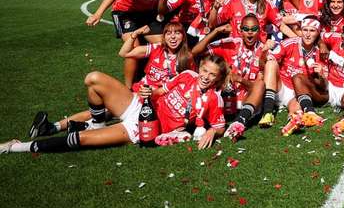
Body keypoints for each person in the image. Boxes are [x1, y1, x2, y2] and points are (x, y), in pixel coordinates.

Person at [5, 55, 227, 154]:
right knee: (93, 79)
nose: (206, 76)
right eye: (205, 70)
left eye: (212, 75)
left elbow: (220, 126)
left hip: (145, 128)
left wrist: (210, 132)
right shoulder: (187, 74)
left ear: (218, 79)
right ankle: (99, 124)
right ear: (200, 68)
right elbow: (161, 91)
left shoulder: (214, 98)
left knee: (80, 140)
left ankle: (15, 147)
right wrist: (147, 92)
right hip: (140, 106)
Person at [193, 15, 271, 141]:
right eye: (246, 29)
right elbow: (196, 51)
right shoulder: (231, 43)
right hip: (226, 97)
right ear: (240, 30)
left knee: (260, 84)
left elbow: (260, 88)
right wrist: (216, 31)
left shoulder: (264, 50)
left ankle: (240, 121)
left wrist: (241, 79)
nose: (250, 32)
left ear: (259, 30)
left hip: (248, 100)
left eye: (254, 29)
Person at [260, 16, 328, 130]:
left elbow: (323, 87)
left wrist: (321, 75)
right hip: (280, 87)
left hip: (297, 94)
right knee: (271, 63)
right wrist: (264, 52)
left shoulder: (320, 52)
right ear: (301, 30)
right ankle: (267, 112)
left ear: (318, 33)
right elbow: (264, 65)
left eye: (312, 30)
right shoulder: (289, 43)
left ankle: (293, 121)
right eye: (305, 30)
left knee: (296, 110)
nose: (307, 34)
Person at [118, 21, 193, 91]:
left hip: (164, 95)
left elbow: (190, 83)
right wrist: (135, 34)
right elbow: (124, 53)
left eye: (177, 33)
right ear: (164, 37)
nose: (173, 36)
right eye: (169, 33)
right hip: (142, 89)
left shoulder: (187, 57)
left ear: (183, 37)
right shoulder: (157, 48)